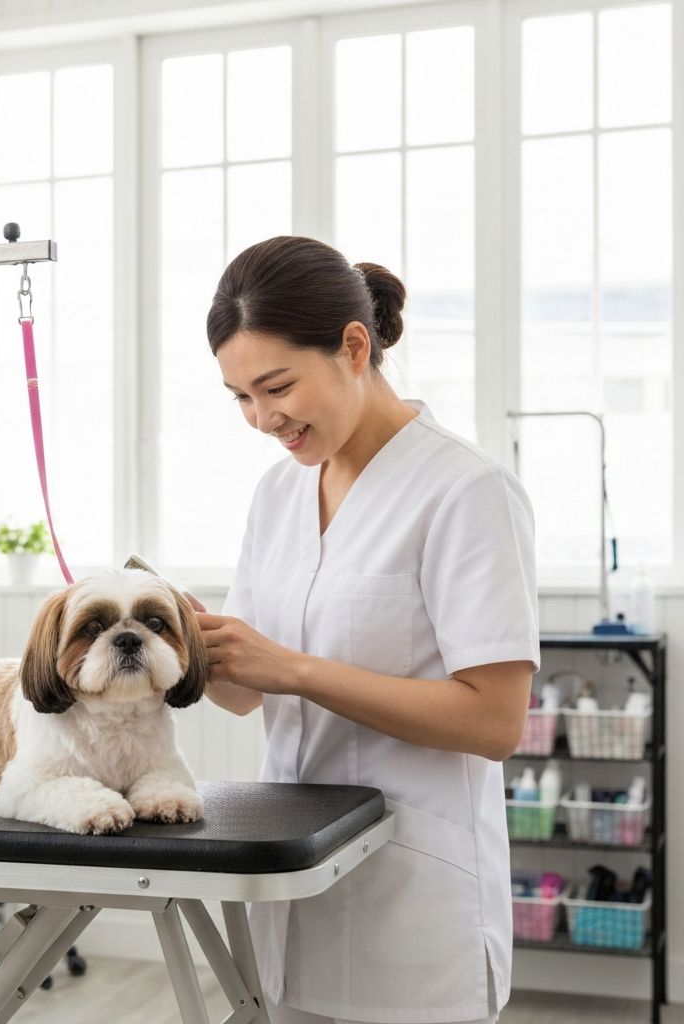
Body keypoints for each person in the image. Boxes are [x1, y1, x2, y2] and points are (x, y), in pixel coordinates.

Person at [192, 236, 539, 1024]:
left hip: (416, 906)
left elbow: (493, 721)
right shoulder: (277, 497)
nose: (260, 418)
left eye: (276, 387)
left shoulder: (465, 491)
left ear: (355, 346)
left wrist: (296, 669)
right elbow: (247, 696)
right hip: (296, 885)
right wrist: (196, 644)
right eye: (240, 397)